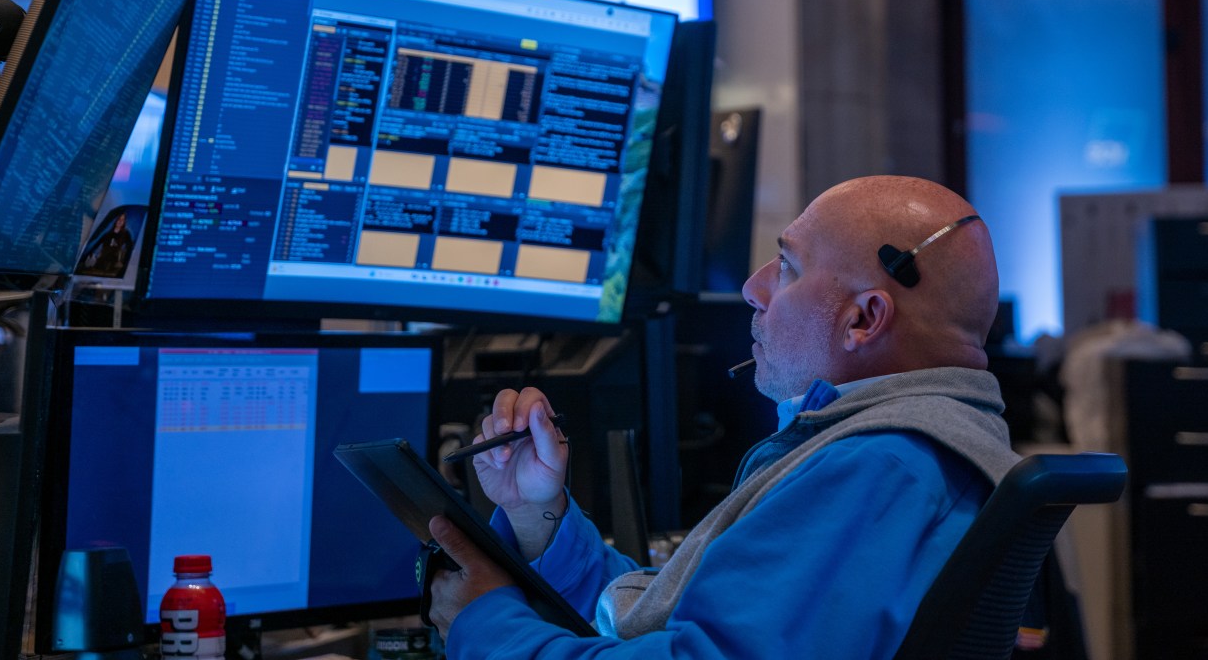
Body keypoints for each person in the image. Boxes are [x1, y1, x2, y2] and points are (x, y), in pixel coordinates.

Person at [426, 175, 1021, 659]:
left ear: (863, 320)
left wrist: (487, 625)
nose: (752, 288)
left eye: (786, 267)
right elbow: (666, 615)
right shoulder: (908, 449)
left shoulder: (880, 464)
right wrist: (538, 513)